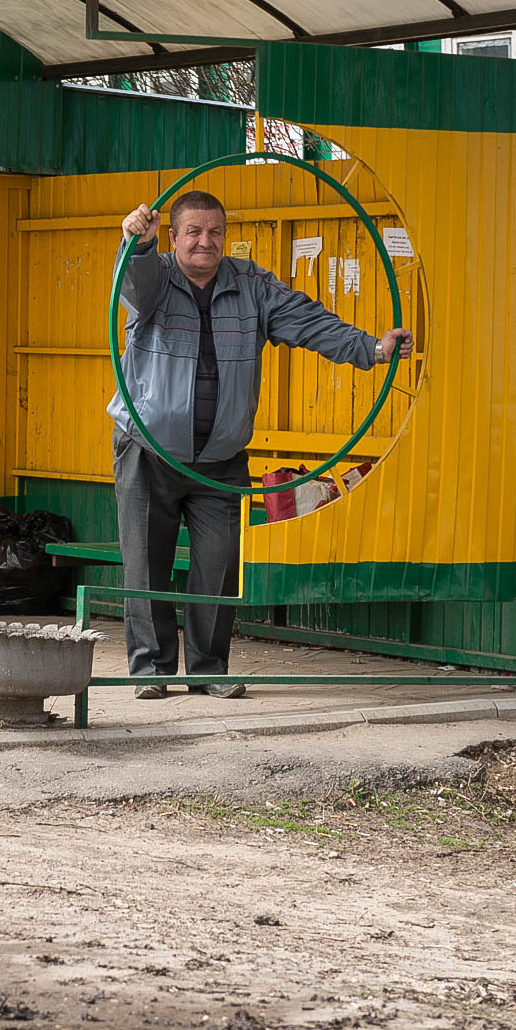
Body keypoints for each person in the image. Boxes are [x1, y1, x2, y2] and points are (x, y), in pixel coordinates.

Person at [109, 190, 413, 699]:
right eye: (193, 232)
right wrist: (135, 245)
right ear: (175, 236)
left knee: (221, 564)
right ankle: (152, 671)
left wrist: (372, 349)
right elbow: (131, 287)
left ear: (224, 237)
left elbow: (310, 322)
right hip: (149, 448)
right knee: (145, 562)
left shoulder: (252, 285)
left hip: (221, 458)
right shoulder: (152, 275)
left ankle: (207, 671)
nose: (205, 242)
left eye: (215, 232)